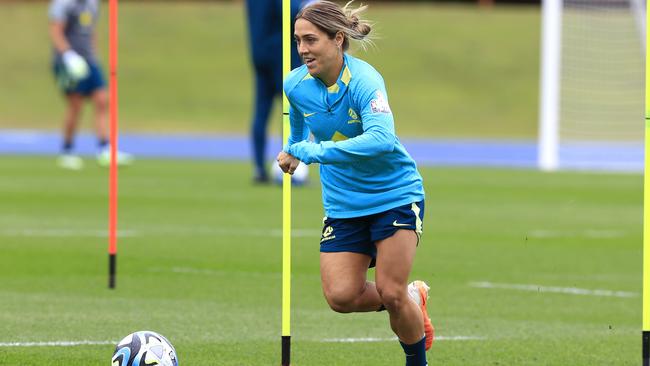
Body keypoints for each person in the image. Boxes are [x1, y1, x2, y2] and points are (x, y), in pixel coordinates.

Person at [276, 2, 434, 365]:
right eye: (298, 41)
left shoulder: (365, 81)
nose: (302, 50)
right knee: (341, 297)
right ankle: (415, 297)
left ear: (338, 39)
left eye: (311, 40)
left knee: (390, 293)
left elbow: (381, 138)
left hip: (393, 194)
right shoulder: (294, 84)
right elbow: (298, 126)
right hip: (343, 203)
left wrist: (313, 152)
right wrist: (293, 149)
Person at [49, 0, 132, 170]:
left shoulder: (92, 4)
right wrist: (68, 55)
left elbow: (91, 31)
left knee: (102, 100)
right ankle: (67, 150)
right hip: (69, 62)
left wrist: (95, 55)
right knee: (76, 105)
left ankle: (104, 148)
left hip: (89, 60)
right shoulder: (64, 4)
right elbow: (56, 31)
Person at [244, 0, 306, 183]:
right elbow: (292, 13)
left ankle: (259, 168)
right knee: (292, 111)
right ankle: (289, 166)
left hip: (259, 53)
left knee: (261, 110)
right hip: (281, 55)